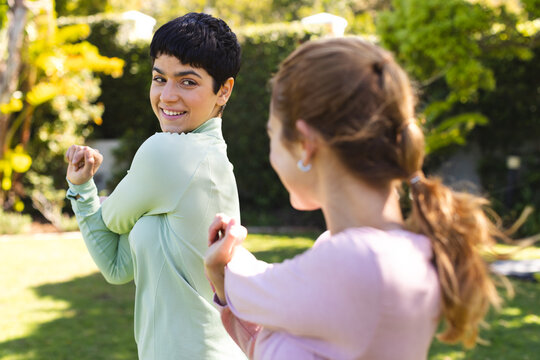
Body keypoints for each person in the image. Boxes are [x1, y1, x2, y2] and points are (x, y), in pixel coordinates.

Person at [204, 36, 504, 360]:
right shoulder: (391, 252)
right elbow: (278, 346)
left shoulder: (360, 261)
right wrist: (225, 280)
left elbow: (254, 289)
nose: (271, 152)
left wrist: (228, 265)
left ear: (305, 143)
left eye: (272, 134)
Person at [65, 12, 246, 360]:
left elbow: (111, 223)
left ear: (223, 90)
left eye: (187, 82)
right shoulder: (212, 158)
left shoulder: (166, 151)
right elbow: (117, 267)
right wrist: (83, 189)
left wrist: (88, 197)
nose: (167, 96)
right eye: (160, 78)